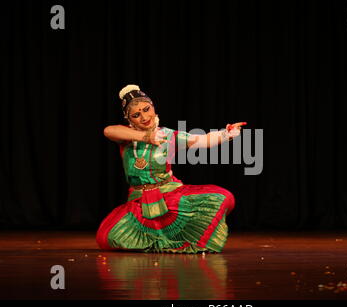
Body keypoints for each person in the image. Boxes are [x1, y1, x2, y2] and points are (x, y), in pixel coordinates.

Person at [96, 84, 246, 253]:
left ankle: (172, 243)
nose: (144, 117)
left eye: (146, 109)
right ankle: (156, 243)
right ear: (129, 119)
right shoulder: (127, 138)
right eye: (136, 115)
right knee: (107, 236)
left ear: (153, 108)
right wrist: (146, 137)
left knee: (222, 197)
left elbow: (202, 140)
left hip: (168, 196)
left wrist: (226, 134)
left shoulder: (168, 135)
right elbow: (109, 131)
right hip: (138, 202)